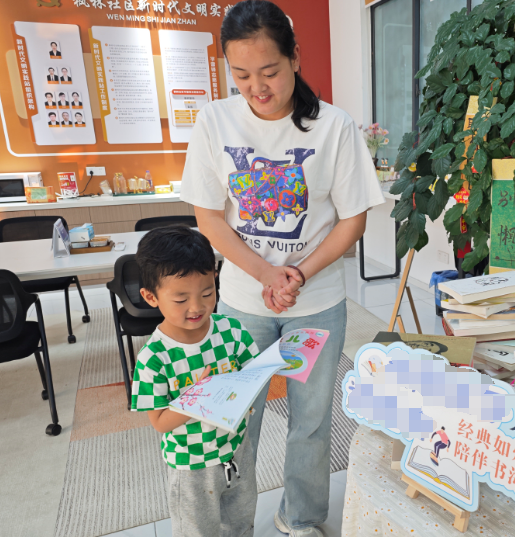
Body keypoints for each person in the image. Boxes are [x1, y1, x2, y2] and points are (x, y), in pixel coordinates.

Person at [179, 2, 384, 535]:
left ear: (295, 58)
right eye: (241, 75)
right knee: (233, 424)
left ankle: (302, 519)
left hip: (314, 308)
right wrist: (268, 275)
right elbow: (210, 220)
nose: (257, 87)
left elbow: (351, 221)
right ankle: (231, 526)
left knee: (310, 425)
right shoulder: (213, 121)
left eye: (269, 72)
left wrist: (296, 274)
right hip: (243, 307)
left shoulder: (333, 127)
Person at [131, 226, 263, 537]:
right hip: (192, 465)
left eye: (207, 293)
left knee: (242, 519)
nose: (197, 307)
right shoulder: (154, 357)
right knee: (197, 530)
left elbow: (253, 375)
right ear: (151, 297)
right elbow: (161, 422)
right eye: (180, 299)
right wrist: (199, 397)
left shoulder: (230, 330)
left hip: (236, 449)